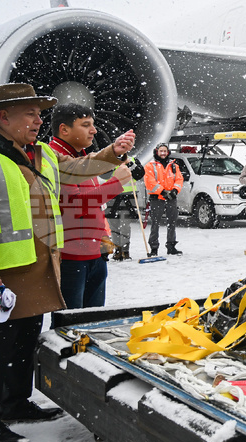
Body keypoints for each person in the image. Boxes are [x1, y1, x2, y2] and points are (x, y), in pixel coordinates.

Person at [0, 82, 135, 442]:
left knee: (24, 342)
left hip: (38, 269)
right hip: (3, 276)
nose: (39, 120)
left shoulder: (42, 155)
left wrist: (112, 153)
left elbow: (82, 168)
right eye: (31, 114)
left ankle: (16, 402)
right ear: (3, 117)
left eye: (39, 113)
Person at [49, 103, 133, 308]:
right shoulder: (55, 159)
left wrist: (103, 242)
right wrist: (116, 183)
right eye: (86, 125)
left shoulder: (80, 158)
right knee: (72, 324)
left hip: (92, 251)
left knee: (90, 320)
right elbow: (75, 205)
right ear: (64, 129)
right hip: (72, 256)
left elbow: (94, 206)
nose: (94, 130)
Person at [144, 143, 184, 256]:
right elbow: (150, 182)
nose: (163, 153)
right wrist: (162, 191)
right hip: (156, 199)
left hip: (171, 198)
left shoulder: (174, 166)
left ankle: (171, 246)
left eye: (165, 151)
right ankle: (154, 248)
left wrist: (175, 191)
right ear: (156, 152)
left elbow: (179, 179)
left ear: (168, 152)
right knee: (155, 224)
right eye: (161, 151)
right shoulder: (150, 166)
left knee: (172, 222)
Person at [105, 155, 145, 261]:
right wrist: (113, 165)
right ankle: (117, 249)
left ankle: (125, 250)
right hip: (111, 195)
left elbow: (139, 174)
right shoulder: (109, 159)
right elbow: (104, 175)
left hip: (128, 197)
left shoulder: (133, 160)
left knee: (125, 225)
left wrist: (129, 164)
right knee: (113, 225)